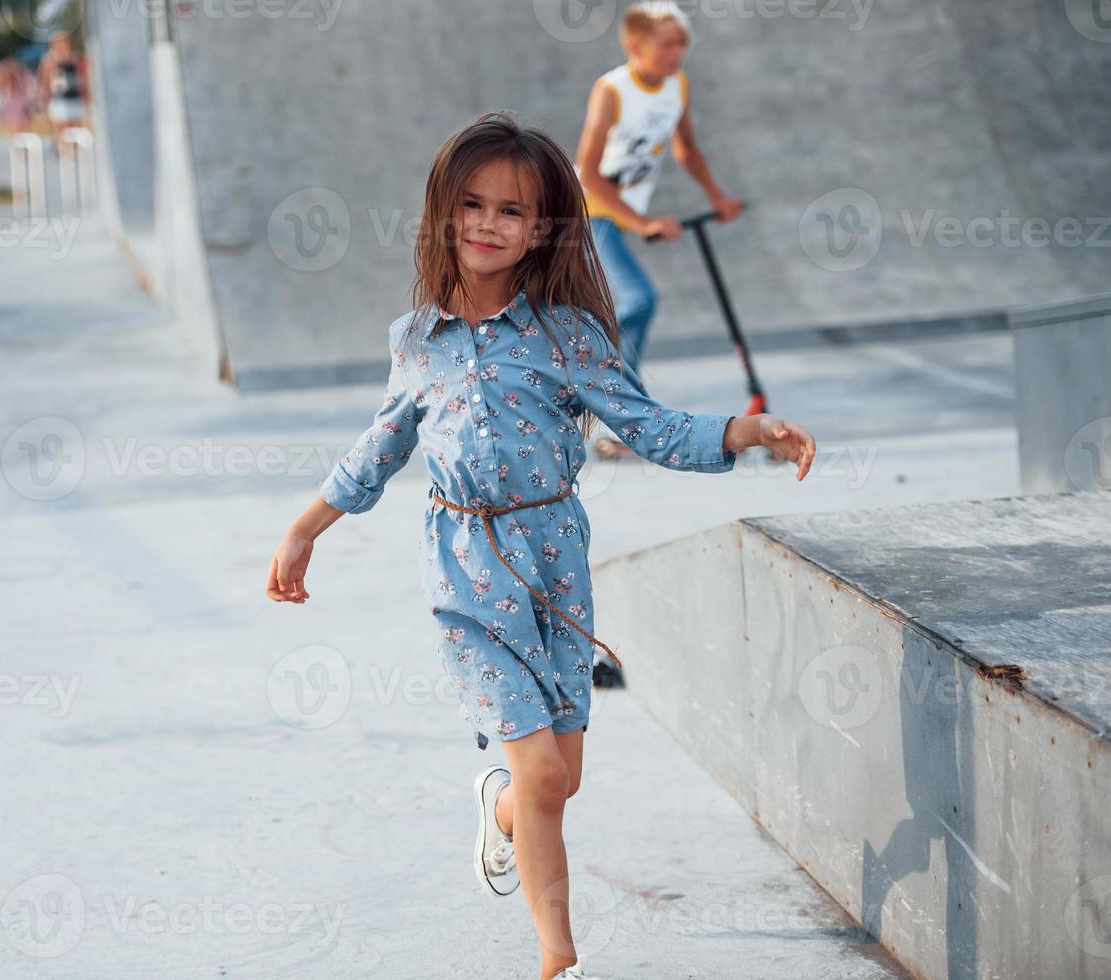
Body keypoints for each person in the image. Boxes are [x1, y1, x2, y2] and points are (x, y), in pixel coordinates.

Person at [265, 113, 815, 980]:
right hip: (465, 572)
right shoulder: (417, 342)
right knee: (546, 778)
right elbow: (378, 449)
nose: (488, 224)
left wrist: (746, 431)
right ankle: (559, 961)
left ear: (542, 228)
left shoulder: (571, 337)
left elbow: (651, 426)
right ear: (443, 213)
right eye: (472, 204)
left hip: (556, 565)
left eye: (512, 211)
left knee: (557, 781)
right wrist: (304, 531)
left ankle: (500, 805)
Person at [576, 0, 742, 460]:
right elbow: (587, 174)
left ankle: (607, 398)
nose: (677, 53)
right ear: (636, 46)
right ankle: (610, 405)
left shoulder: (677, 85)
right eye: (667, 44)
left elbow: (687, 149)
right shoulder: (611, 90)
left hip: (620, 213)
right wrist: (643, 222)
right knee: (637, 300)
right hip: (586, 213)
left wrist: (717, 198)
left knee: (627, 308)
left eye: (681, 43)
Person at [39, 32, 85, 143]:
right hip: (58, 97)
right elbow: (45, 78)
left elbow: (80, 73)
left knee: (75, 127)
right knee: (61, 126)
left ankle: (74, 151)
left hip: (73, 96)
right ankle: (63, 151)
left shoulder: (73, 56)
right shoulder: (49, 58)